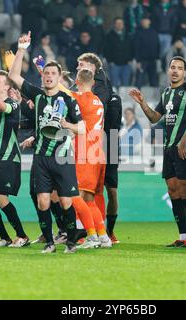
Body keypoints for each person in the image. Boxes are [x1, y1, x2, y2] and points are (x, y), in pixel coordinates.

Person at [9, 32, 85, 254]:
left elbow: (82, 128)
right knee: (43, 201)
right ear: (42, 77)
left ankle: (71, 241)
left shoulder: (69, 100)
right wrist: (22, 48)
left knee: (65, 202)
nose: (49, 76)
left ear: (59, 77)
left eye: (53, 73)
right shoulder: (37, 95)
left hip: (62, 157)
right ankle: (50, 243)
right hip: (41, 158)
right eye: (46, 73)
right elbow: (14, 75)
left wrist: (66, 125)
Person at [130, 56, 186, 247]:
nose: (175, 71)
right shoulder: (166, 94)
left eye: (179, 68)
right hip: (169, 149)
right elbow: (155, 118)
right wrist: (142, 103)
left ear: (184, 72)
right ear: (168, 70)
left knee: (185, 190)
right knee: (173, 191)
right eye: (173, 67)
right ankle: (182, 236)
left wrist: (184, 139)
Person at [59, 68, 112, 249]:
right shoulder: (98, 102)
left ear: (77, 81)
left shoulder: (80, 98)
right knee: (89, 199)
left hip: (85, 153)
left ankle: (91, 236)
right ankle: (103, 236)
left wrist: (42, 69)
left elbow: (60, 89)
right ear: (94, 83)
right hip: (98, 153)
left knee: (73, 195)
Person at [0, 70, 30, 248]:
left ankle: (22, 236)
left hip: (9, 158)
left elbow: (2, 107)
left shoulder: (12, 104)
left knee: (0, 198)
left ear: (8, 86)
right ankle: (4, 237)